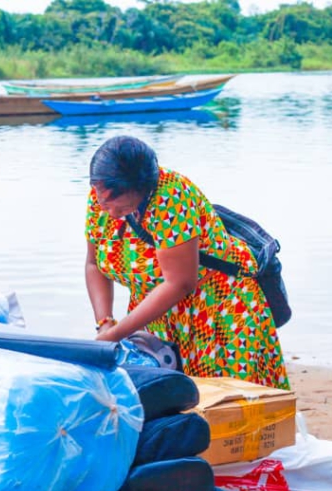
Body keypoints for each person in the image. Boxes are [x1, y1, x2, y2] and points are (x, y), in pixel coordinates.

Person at [84, 136, 289, 390]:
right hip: (156, 316)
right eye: (102, 200)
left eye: (121, 207)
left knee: (229, 399)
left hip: (217, 311)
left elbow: (180, 283)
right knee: (170, 402)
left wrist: (116, 335)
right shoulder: (102, 196)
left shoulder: (171, 199)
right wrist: (105, 323)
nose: (110, 213)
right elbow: (93, 264)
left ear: (142, 190)